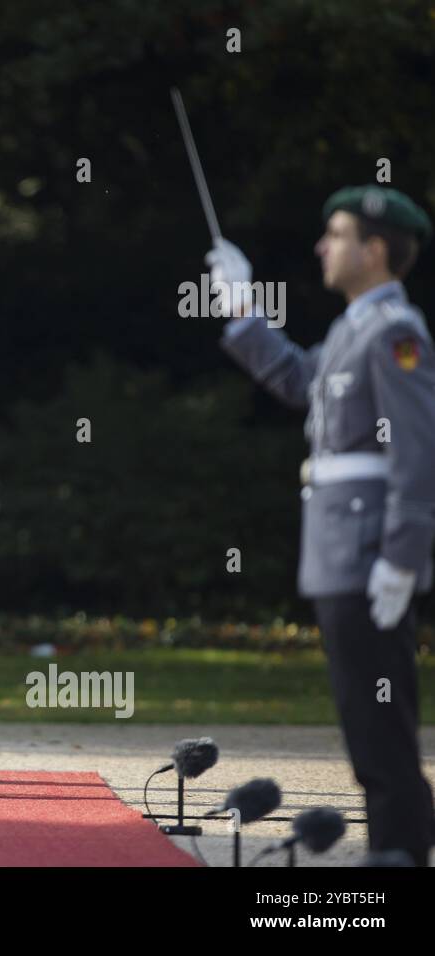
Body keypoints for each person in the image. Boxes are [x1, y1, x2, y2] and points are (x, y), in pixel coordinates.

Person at [212, 186, 435, 865]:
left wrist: (402, 555)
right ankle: (395, 849)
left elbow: (419, 450)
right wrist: (244, 310)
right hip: (341, 551)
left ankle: (399, 853)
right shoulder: (352, 328)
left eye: (335, 234)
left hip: (369, 553)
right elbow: (302, 381)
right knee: (363, 718)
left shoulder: (395, 331)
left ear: (374, 250)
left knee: (380, 722)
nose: (321, 246)